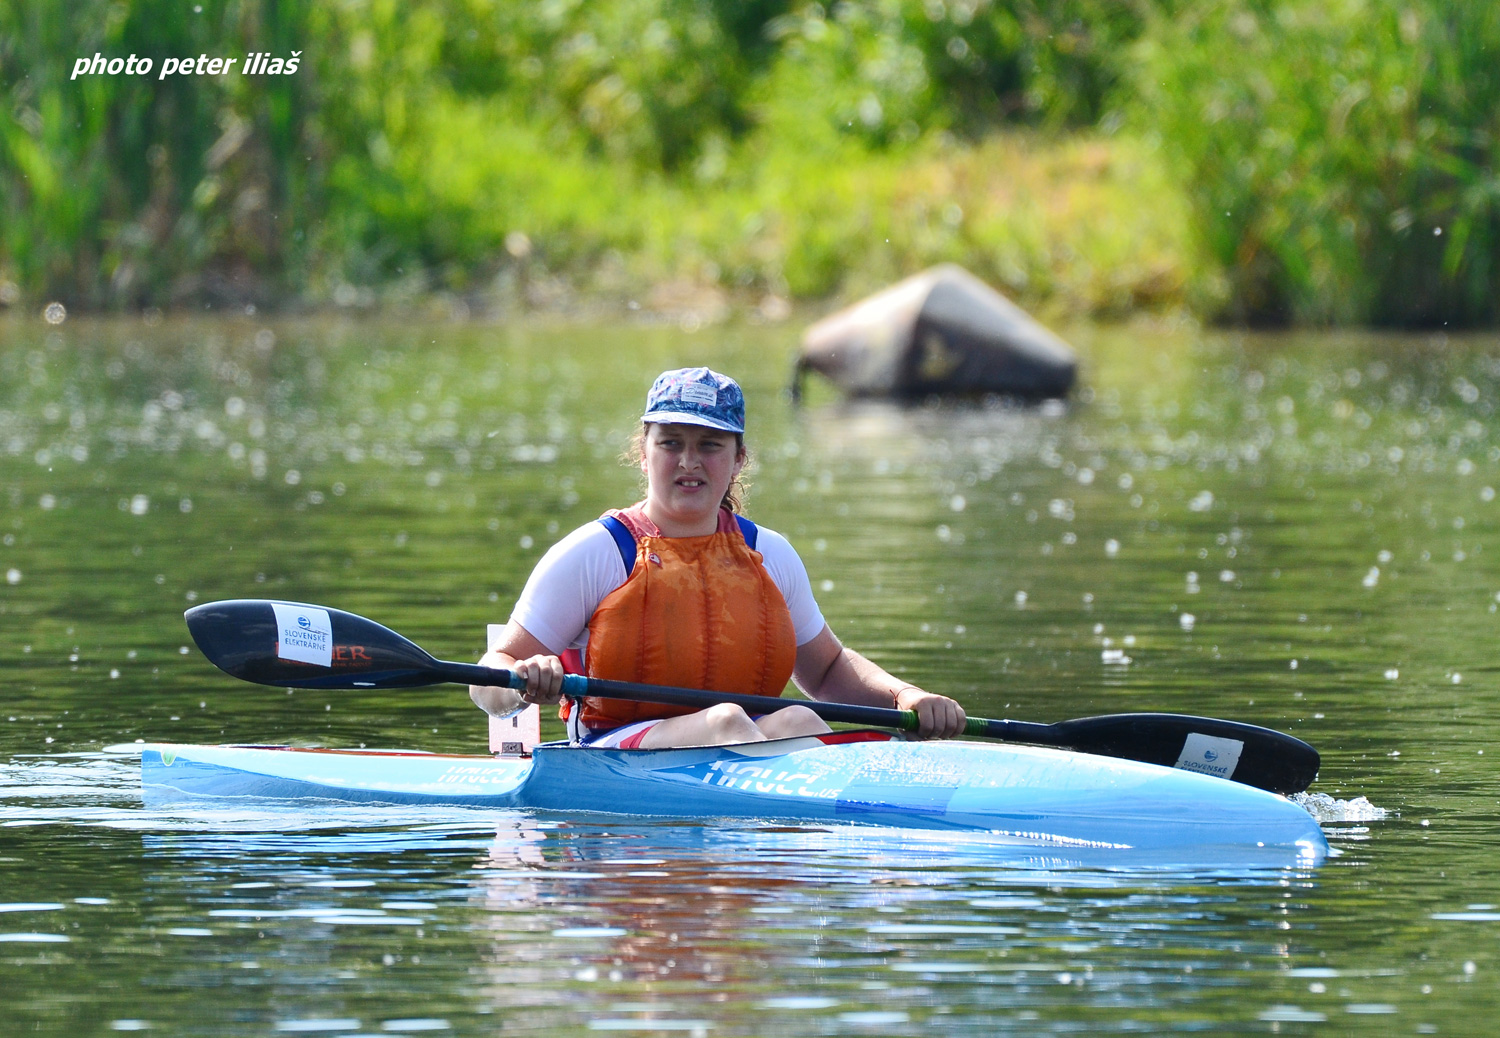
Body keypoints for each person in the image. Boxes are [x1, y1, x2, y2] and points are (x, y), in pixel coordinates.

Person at [470, 366, 966, 749]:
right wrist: (521, 682)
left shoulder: (769, 554)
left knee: (798, 718)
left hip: (737, 744)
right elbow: (489, 676)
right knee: (725, 720)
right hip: (610, 753)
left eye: (709, 445)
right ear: (643, 453)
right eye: (671, 444)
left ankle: (853, 845)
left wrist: (906, 697)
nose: (689, 462)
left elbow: (829, 670)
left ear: (738, 459)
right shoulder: (597, 553)